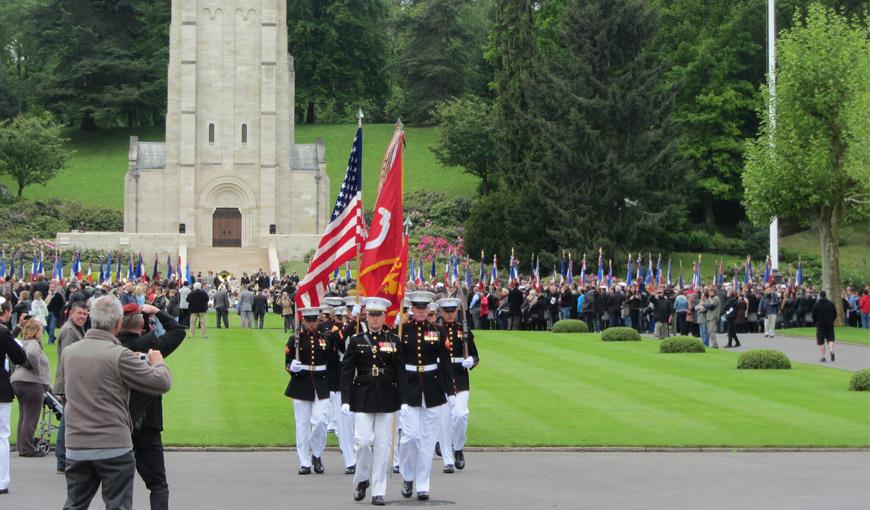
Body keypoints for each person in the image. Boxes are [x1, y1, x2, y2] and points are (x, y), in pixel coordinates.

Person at [61, 296, 172, 510]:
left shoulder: (69, 353)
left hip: (77, 443)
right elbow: (162, 383)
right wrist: (158, 363)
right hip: (112, 443)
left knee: (75, 504)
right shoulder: (119, 355)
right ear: (118, 323)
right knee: (117, 505)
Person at [117, 303, 186, 510]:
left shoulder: (113, 347)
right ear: (143, 324)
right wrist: (157, 312)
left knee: (117, 484)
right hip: (148, 421)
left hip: (118, 420)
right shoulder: (153, 347)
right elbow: (178, 331)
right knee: (158, 484)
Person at [340, 297, 404, 506]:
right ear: (366, 317)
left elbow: (401, 373)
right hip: (363, 395)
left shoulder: (394, 340)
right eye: (371, 315)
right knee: (363, 442)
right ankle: (361, 478)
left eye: (378, 315)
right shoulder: (357, 341)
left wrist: (403, 400)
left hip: (387, 395)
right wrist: (346, 400)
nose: (375, 319)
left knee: (383, 446)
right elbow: (347, 372)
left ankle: (378, 490)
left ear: (384, 317)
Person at [397, 291, 454, 501]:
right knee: (410, 437)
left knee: (428, 440)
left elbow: (446, 363)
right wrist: (400, 393)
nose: (420, 311)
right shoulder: (402, 330)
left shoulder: (438, 331)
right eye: (417, 308)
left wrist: (451, 391)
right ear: (412, 309)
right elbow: (398, 364)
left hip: (433, 388)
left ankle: (423, 483)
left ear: (429, 309)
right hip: (410, 387)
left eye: (424, 308)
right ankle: (407, 475)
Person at [284, 307, 334, 475]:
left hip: (321, 384)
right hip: (301, 384)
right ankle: (304, 461)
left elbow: (331, 363)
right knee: (302, 425)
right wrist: (293, 367)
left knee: (320, 421)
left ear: (318, 321)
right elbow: (287, 362)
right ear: (303, 321)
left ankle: (317, 454)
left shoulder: (325, 339)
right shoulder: (294, 340)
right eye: (308, 321)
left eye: (314, 321)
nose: (311, 324)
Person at [437, 297, 478, 471]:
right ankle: (447, 455)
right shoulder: (436, 331)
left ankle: (458, 448)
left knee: (461, 415)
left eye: (452, 311)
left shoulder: (464, 331)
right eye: (446, 311)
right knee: (445, 418)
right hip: (441, 375)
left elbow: (476, 356)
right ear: (441, 312)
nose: (450, 314)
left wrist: (471, 361)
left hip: (460, 375)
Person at [54, 300, 89, 474]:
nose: (82, 316)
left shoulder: (76, 329)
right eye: (79, 313)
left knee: (69, 420)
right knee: (68, 421)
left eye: (85, 313)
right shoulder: (69, 330)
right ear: (71, 313)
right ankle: (62, 459)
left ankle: (65, 458)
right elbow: (70, 358)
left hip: (71, 380)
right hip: (70, 381)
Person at [10, 319, 51, 457]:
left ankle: (22, 446)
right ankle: (27, 448)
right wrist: (37, 369)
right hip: (31, 383)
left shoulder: (22, 342)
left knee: (24, 416)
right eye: (40, 330)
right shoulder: (33, 343)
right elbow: (33, 355)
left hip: (18, 381)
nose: (42, 333)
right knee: (31, 417)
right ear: (35, 331)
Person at [0, 299, 27, 495]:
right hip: (0, 389)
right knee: (1, 435)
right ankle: (1, 480)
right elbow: (20, 357)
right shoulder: (2, 332)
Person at [812, 291, 838, 363]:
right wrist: (831, 320)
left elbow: (813, 315)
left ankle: (823, 357)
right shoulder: (831, 304)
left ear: (820, 296)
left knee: (821, 341)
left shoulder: (816, 305)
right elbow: (835, 314)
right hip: (829, 324)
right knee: (830, 338)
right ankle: (831, 350)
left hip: (820, 325)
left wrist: (816, 322)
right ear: (825, 296)